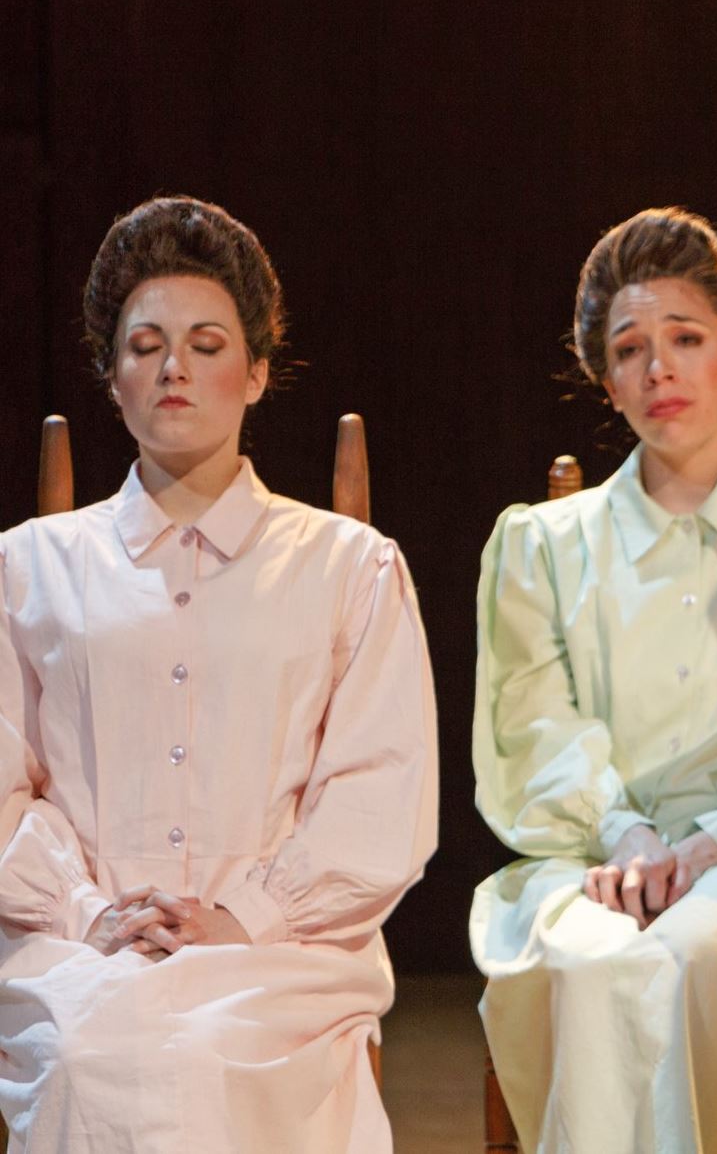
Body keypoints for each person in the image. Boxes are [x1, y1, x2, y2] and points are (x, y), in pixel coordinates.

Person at [0, 196, 437, 1152]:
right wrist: (84, 910)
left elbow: (380, 788)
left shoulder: (347, 565)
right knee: (92, 1059)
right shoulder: (27, 565)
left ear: (258, 371)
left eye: (205, 343)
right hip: (78, 943)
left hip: (282, 953)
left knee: (211, 1063)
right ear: (112, 376)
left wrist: (250, 914)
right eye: (145, 344)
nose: (173, 368)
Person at [470, 207, 717, 1154]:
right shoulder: (542, 543)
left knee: (701, 948)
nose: (658, 368)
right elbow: (536, 720)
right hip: (594, 850)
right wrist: (623, 832)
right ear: (605, 376)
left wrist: (714, 843)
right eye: (629, 348)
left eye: (686, 338)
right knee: (588, 961)